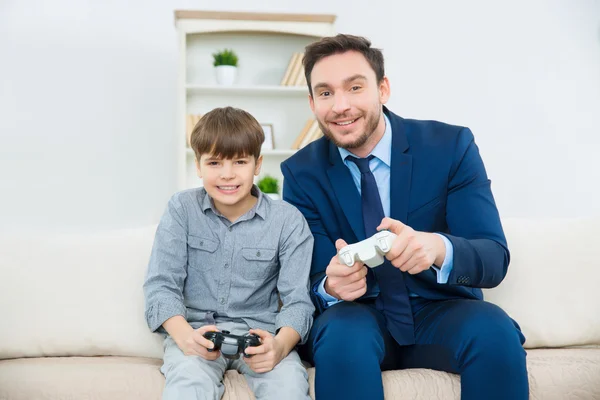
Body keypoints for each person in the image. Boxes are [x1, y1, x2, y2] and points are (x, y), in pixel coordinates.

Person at [281, 34, 528, 400]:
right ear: (312, 102)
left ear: (383, 88)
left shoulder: (451, 147)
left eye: (355, 87)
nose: (341, 106)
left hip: (440, 309)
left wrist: (438, 248)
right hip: (356, 317)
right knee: (341, 338)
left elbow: (493, 257)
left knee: (495, 331)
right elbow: (306, 279)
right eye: (326, 93)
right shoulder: (301, 173)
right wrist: (330, 287)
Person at [144, 106, 315, 400]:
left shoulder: (288, 221)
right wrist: (186, 339)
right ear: (198, 166)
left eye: (239, 161)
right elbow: (161, 287)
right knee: (187, 387)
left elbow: (298, 302)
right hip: (196, 334)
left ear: (257, 164)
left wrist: (280, 346)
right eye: (214, 163)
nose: (227, 175)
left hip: (261, 337)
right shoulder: (181, 209)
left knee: (289, 388)